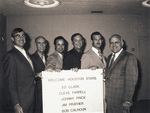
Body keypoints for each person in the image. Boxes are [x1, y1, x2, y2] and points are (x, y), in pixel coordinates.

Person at [3, 28, 35, 113]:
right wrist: (15, 104)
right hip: (21, 101)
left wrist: (36, 75)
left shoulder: (27, 54)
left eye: (23, 35)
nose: (21, 38)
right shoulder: (10, 55)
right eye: (17, 36)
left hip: (31, 98)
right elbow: (10, 81)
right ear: (12, 39)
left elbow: (26, 73)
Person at [105, 34, 138, 113]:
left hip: (121, 101)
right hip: (109, 100)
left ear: (122, 43)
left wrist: (127, 101)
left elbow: (131, 81)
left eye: (116, 42)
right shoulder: (109, 57)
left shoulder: (129, 57)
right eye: (111, 43)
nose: (114, 45)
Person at [31, 36, 47, 113]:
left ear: (46, 44)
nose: (42, 45)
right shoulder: (30, 58)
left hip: (48, 90)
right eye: (39, 43)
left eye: (43, 43)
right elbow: (27, 74)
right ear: (36, 44)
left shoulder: (49, 58)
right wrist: (36, 75)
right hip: (37, 92)